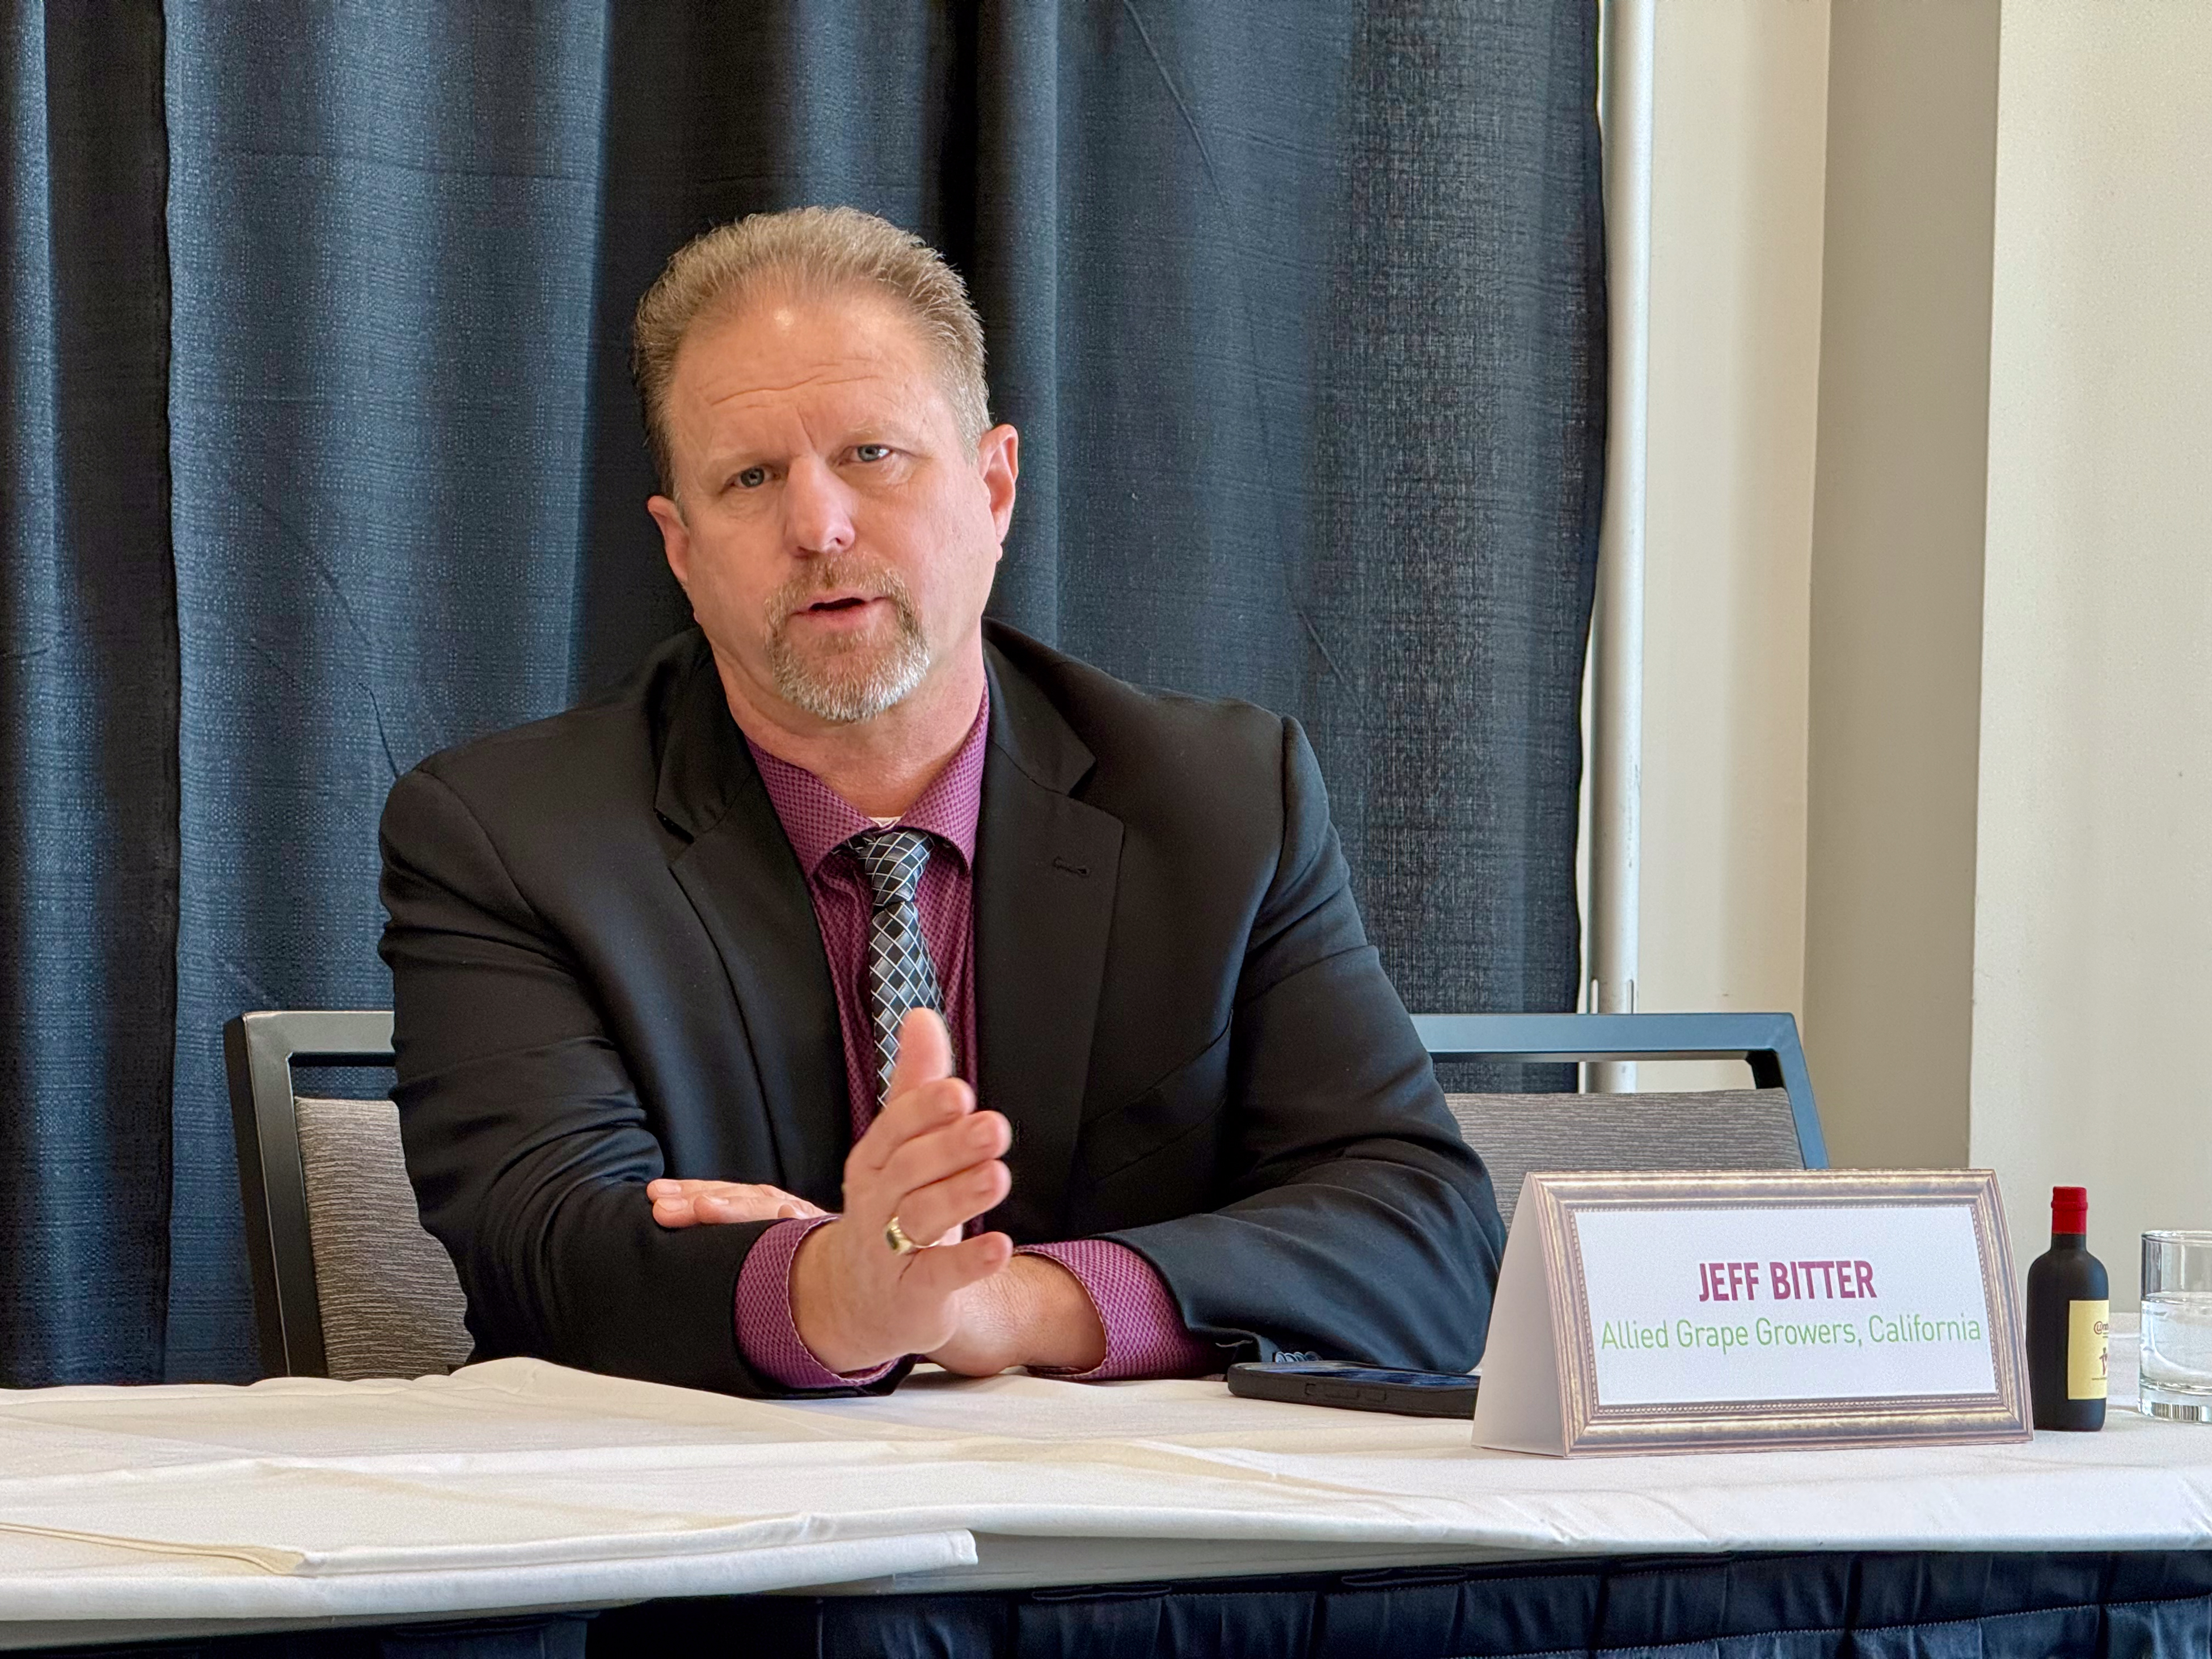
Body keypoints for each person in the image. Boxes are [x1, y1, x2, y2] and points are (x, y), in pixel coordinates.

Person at [379, 205, 1504, 1396]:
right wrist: (833, 1291)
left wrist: (1012, 1302)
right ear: (681, 550)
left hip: (1142, 1549)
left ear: (995, 485)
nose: (818, 526)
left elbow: (1425, 1233)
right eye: (751, 477)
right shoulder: (507, 836)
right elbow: (543, 1251)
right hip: (716, 1546)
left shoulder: (1223, 804)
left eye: (873, 454)